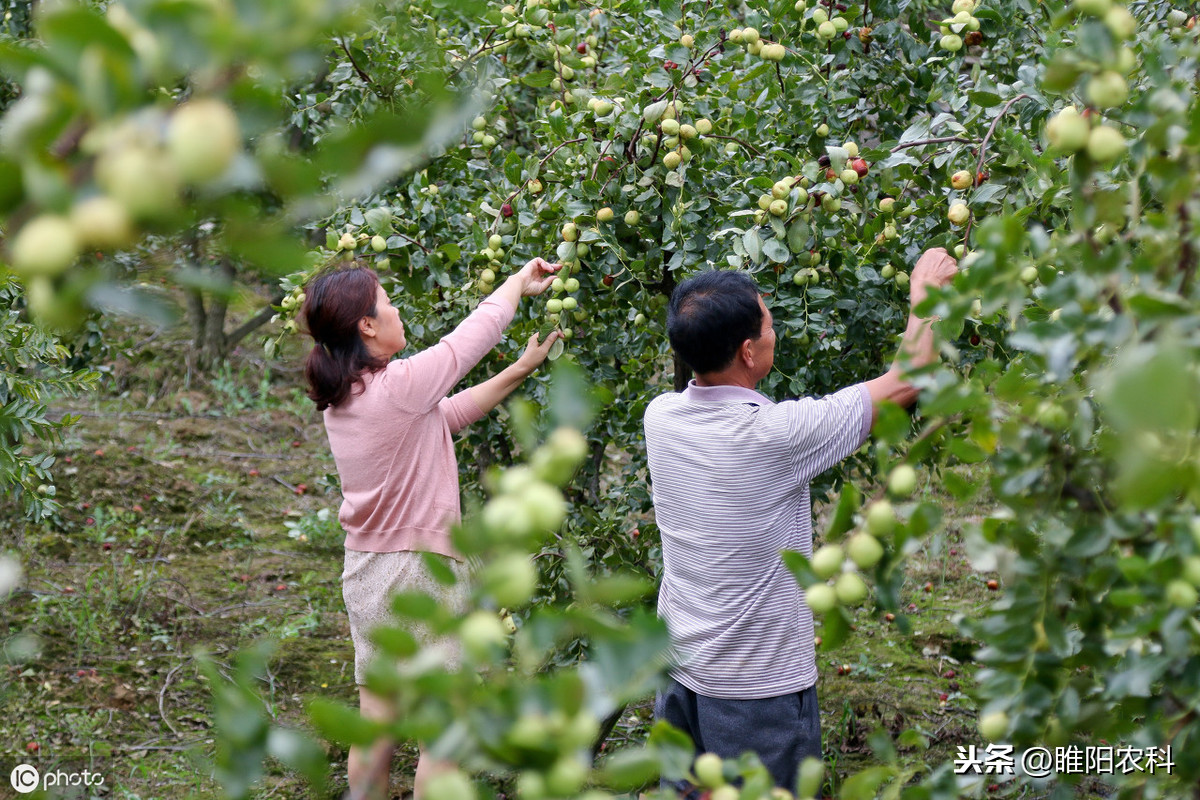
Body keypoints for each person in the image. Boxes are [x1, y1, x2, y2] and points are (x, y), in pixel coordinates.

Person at [643, 247, 958, 794]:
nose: (774, 331)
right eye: (768, 323)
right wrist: (926, 295)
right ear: (747, 351)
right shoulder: (776, 436)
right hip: (753, 689)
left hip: (677, 668)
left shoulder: (661, 417)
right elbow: (908, 381)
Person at [300, 257, 560, 800]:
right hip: (424, 571)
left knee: (377, 721)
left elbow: (445, 416)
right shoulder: (400, 387)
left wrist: (519, 368)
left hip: (368, 574)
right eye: (387, 302)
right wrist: (517, 281)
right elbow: (470, 338)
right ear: (366, 325)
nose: (396, 311)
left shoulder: (348, 399)